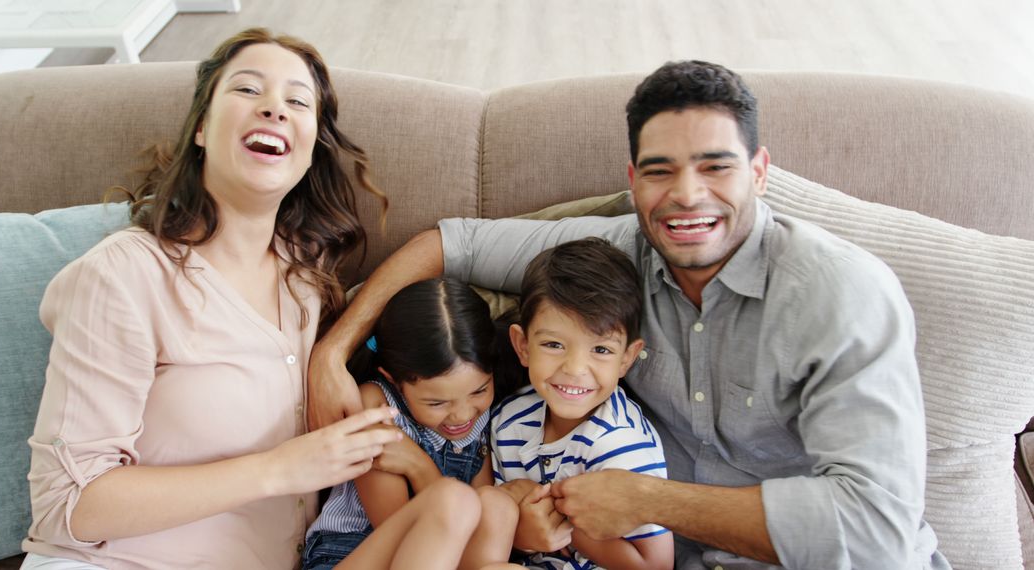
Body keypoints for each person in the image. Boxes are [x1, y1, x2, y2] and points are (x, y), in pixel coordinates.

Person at [308, 60, 951, 569]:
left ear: (759, 172)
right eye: (659, 171)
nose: (686, 195)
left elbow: (877, 532)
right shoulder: (619, 255)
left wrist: (644, 500)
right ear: (633, 180)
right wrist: (332, 355)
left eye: (716, 167)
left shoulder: (839, 294)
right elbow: (449, 244)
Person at [21, 28, 483, 570]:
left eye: (297, 101)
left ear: (311, 147)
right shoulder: (123, 275)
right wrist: (280, 469)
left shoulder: (306, 281)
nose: (274, 109)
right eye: (247, 90)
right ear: (201, 128)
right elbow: (65, 507)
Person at [302, 277, 519, 570]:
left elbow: (478, 519)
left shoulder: (482, 417)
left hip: (441, 559)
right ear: (394, 379)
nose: (463, 415)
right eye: (437, 403)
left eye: (479, 391)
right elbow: (397, 527)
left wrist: (417, 465)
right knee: (454, 500)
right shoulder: (375, 407)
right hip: (353, 553)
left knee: (497, 506)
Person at [492, 238, 674, 569]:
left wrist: (559, 518)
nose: (575, 369)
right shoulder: (508, 421)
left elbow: (656, 565)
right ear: (522, 346)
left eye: (601, 350)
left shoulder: (620, 444)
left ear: (626, 359)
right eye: (553, 344)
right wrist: (521, 533)